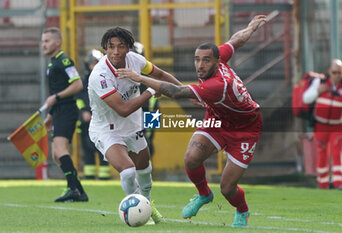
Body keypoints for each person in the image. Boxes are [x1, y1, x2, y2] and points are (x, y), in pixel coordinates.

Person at [117, 15, 267, 227]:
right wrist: (251, 27)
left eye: (205, 60)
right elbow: (236, 40)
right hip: (217, 119)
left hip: (245, 129)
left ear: (216, 61)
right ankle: (204, 194)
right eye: (197, 59)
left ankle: (242, 210)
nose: (200, 64)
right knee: (191, 158)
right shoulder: (220, 57)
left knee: (227, 188)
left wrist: (140, 78)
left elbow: (177, 92)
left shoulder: (217, 85)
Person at [88, 26, 182, 223]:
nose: (115, 52)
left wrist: (185, 92)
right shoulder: (100, 75)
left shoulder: (136, 61)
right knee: (129, 171)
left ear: (129, 48)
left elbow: (162, 75)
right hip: (107, 130)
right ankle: (135, 211)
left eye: (120, 46)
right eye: (110, 47)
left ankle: (146, 209)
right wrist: (150, 89)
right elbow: (122, 109)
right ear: (105, 48)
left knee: (145, 172)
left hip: (134, 126)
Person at [41, 27, 88, 202]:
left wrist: (57, 97)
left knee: (60, 150)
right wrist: (51, 115)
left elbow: (77, 85)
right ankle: (79, 191)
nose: (43, 44)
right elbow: (56, 91)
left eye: (47, 41)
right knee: (56, 154)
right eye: (43, 41)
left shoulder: (64, 61)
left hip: (67, 111)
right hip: (59, 112)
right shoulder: (52, 63)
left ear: (58, 42)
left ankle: (73, 189)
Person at [303, 59, 342, 189]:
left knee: (336, 154)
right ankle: (322, 185)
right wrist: (318, 92)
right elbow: (306, 98)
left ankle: (338, 185)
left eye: (340, 72)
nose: (337, 75)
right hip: (320, 125)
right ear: (329, 71)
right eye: (334, 72)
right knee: (322, 155)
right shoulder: (320, 82)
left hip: (337, 126)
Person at [76, 49, 111, 180]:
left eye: (96, 63)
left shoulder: (105, 80)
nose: (93, 66)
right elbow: (79, 99)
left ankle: (104, 176)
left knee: (103, 148)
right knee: (87, 149)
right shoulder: (84, 82)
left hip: (102, 120)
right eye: (91, 64)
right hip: (86, 122)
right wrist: (84, 111)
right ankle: (89, 176)